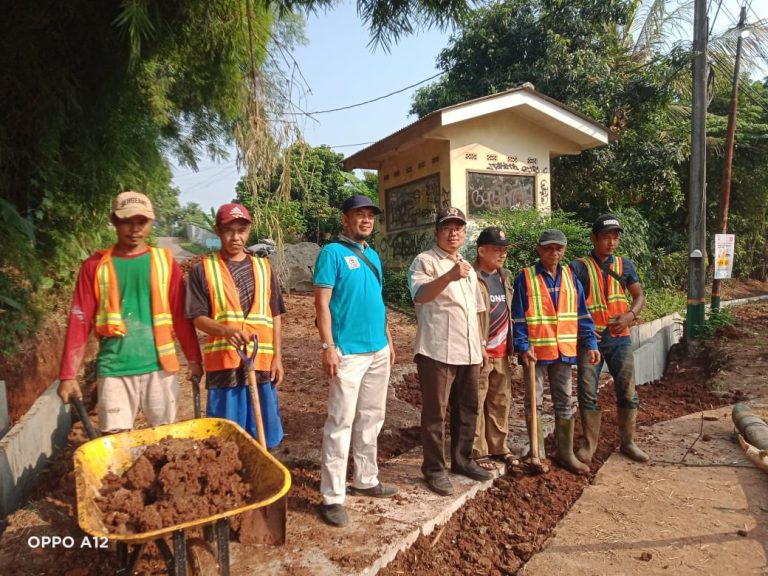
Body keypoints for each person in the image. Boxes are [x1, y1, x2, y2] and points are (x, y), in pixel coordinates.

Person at [57, 191, 203, 432]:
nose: (135, 229)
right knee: (116, 442)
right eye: (127, 221)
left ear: (151, 222)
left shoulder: (165, 263)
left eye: (141, 222)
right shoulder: (94, 267)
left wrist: (194, 360)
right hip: (114, 368)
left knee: (166, 438)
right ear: (114, 220)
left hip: (160, 368)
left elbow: (180, 316)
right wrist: (67, 375)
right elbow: (79, 321)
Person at [313, 194, 398, 527]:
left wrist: (388, 340)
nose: (366, 220)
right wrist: (327, 346)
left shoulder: (373, 256)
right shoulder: (331, 253)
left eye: (370, 216)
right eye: (359, 215)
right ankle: (332, 496)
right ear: (345, 219)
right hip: (347, 352)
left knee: (372, 417)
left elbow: (377, 302)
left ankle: (366, 479)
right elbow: (321, 305)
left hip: (378, 350)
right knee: (341, 422)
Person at [408, 207, 493, 497]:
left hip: (469, 351)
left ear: (464, 233)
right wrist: (448, 276)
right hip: (437, 351)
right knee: (435, 412)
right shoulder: (425, 261)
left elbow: (476, 312)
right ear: (437, 232)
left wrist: (482, 347)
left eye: (458, 227)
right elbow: (420, 296)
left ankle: (462, 460)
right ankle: (434, 468)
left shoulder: (468, 269)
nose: (453, 232)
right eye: (447, 227)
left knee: (468, 407)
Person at [186, 203, 284, 448]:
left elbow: (275, 316)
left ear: (248, 231)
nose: (236, 237)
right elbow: (197, 317)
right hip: (224, 366)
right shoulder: (203, 270)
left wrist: (277, 358)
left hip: (261, 362)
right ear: (217, 231)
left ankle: (264, 472)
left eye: (241, 230)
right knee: (225, 437)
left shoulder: (264, 268)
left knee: (265, 434)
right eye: (229, 230)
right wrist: (225, 331)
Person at [511, 229, 600, 475]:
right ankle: (537, 453)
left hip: (564, 350)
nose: (554, 253)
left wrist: (591, 342)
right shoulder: (526, 277)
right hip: (536, 353)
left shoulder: (571, 277)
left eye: (558, 248)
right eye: (549, 248)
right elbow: (518, 318)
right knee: (535, 402)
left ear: (564, 250)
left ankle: (565, 453)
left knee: (564, 402)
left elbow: (583, 314)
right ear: (539, 249)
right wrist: (522, 346)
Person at [570, 214, 649, 463]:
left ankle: (628, 442)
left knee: (627, 390)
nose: (611, 243)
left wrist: (630, 316)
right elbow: (567, 301)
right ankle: (589, 445)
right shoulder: (579, 267)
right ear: (594, 238)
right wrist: (580, 327)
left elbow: (639, 296)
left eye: (615, 238)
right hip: (590, 341)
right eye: (606, 237)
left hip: (620, 338)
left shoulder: (625, 266)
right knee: (587, 391)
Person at [472, 226, 520, 472]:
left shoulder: (505, 277)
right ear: (481, 251)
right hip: (480, 352)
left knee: (501, 401)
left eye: (504, 250)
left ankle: (499, 446)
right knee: (477, 402)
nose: (502, 254)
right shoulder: (470, 277)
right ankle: (478, 450)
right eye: (496, 250)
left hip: (502, 351)